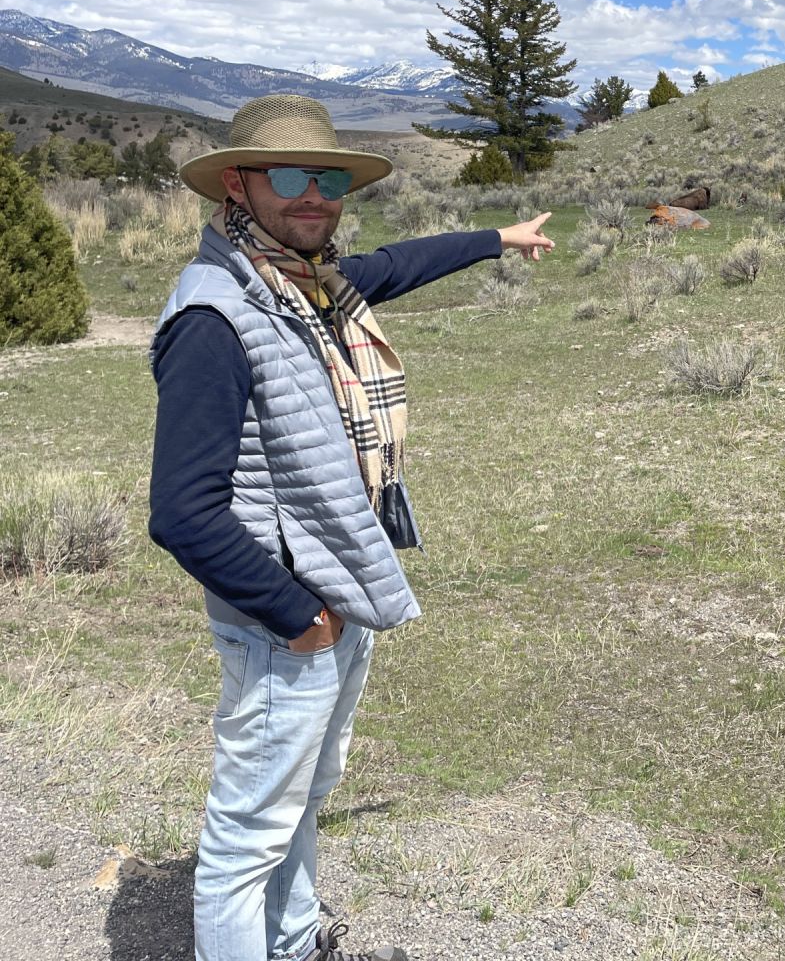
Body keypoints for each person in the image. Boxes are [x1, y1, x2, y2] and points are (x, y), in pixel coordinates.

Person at [148, 94, 553, 961]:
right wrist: (299, 617)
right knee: (245, 841)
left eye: (330, 179)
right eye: (291, 175)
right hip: (284, 621)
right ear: (237, 185)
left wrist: (498, 238)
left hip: (331, 596)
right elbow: (181, 512)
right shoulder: (216, 316)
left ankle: (296, 942)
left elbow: (397, 264)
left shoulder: (307, 285)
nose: (314, 195)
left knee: (298, 799)